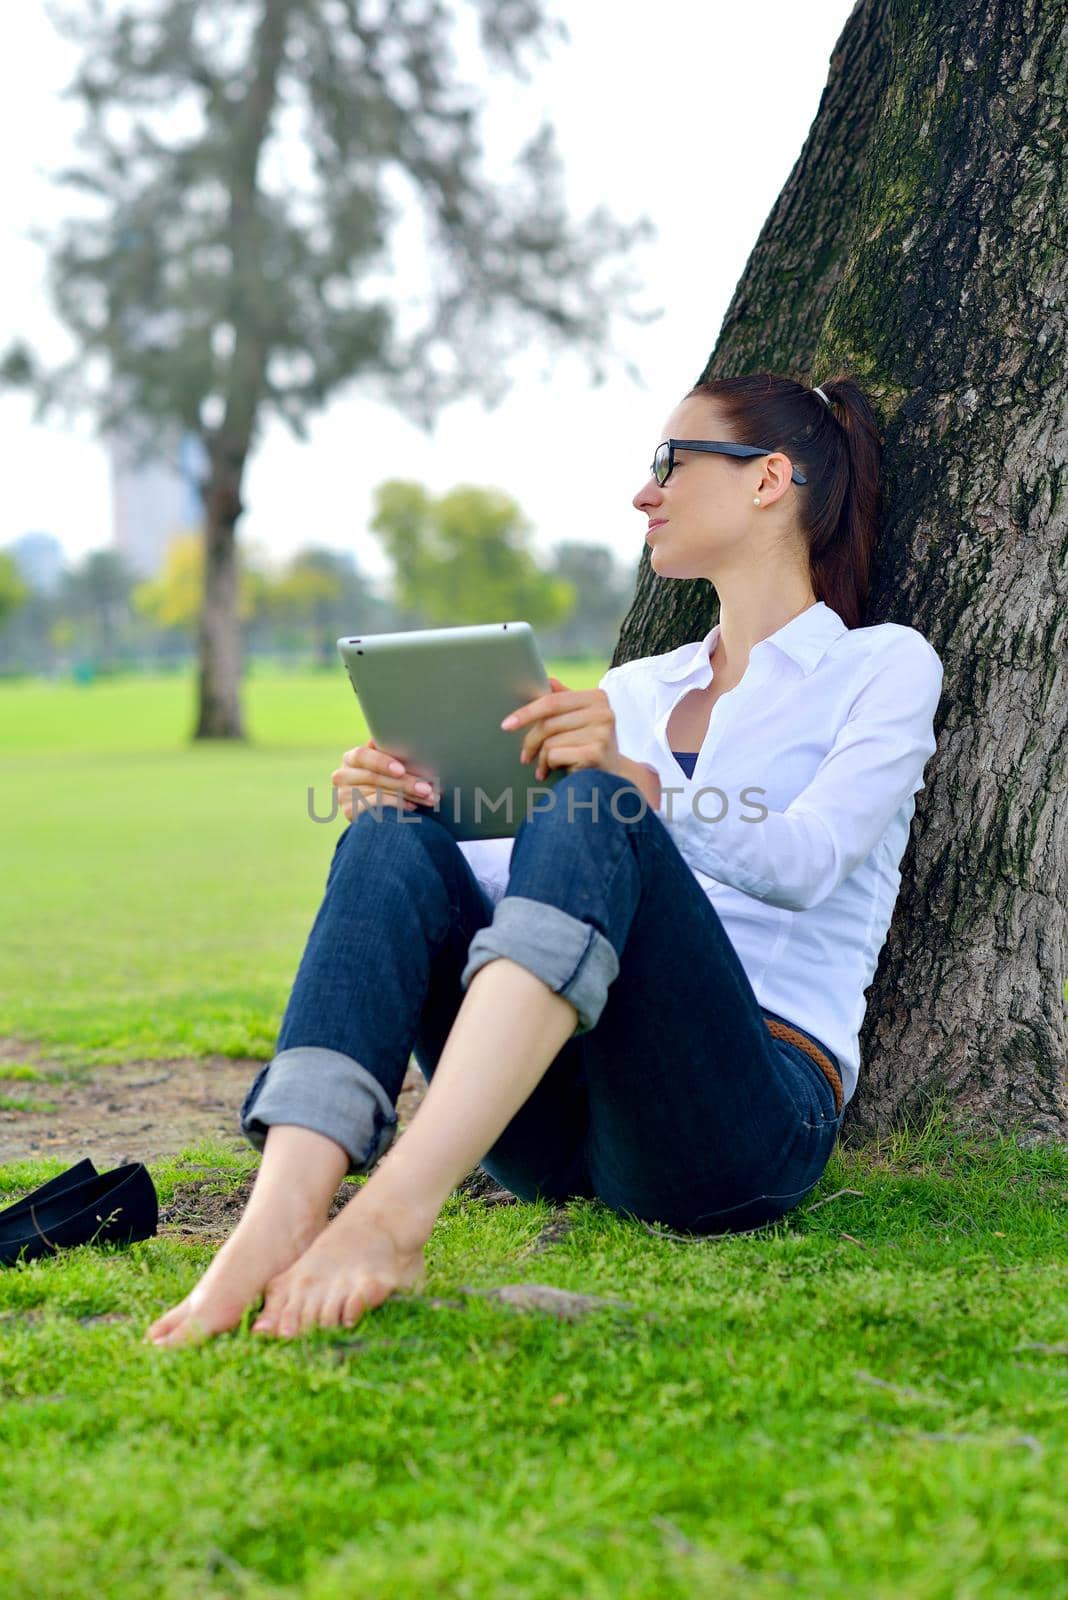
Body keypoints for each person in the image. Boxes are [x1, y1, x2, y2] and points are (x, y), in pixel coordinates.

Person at [145, 371, 944, 1347]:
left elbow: (813, 860)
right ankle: (278, 1216)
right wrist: (422, 805)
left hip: (742, 1117)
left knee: (601, 801)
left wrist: (638, 785)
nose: (644, 494)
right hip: (561, 1119)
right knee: (392, 840)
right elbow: (539, 895)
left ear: (768, 478)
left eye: (670, 464)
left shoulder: (881, 666)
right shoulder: (638, 687)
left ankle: (392, 1215)